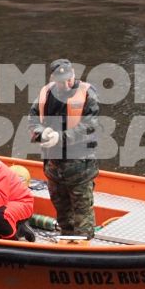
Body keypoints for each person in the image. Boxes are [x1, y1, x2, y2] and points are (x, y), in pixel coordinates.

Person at [20, 58, 101, 237]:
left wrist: (60, 137)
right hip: (54, 168)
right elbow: (32, 120)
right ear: (53, 79)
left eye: (69, 78)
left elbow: (89, 126)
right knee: (63, 214)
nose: (67, 83)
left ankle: (84, 250)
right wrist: (43, 133)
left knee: (83, 216)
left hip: (80, 169)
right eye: (62, 80)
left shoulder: (88, 94)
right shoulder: (46, 94)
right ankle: (67, 242)